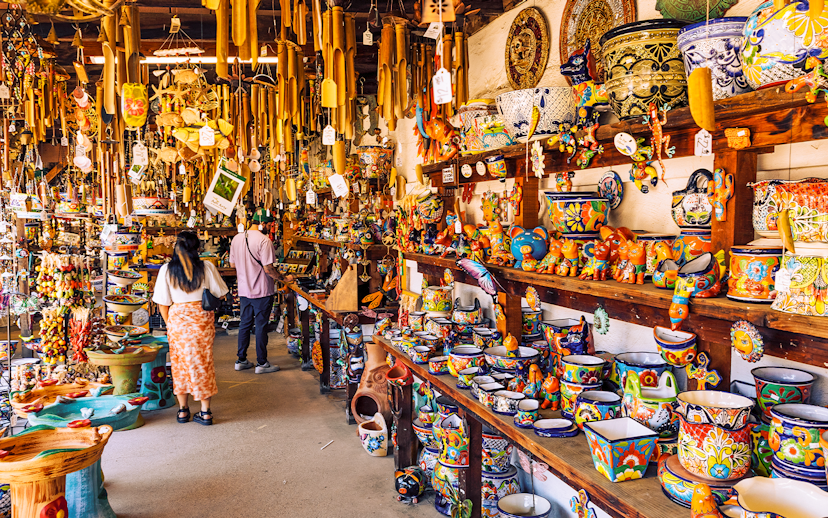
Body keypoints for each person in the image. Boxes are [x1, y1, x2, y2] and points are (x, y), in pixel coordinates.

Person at [152, 231, 229, 426]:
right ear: (197, 248)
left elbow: (162, 303)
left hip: (177, 321)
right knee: (203, 364)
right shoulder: (207, 267)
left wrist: (171, 324)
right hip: (202, 320)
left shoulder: (166, 270)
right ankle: (205, 413)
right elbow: (221, 294)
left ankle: (183, 411)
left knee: (179, 365)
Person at [229, 209, 283, 373]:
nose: (269, 228)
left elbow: (232, 265)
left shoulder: (237, 238)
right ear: (263, 224)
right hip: (261, 290)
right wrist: (283, 278)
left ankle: (241, 360)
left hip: (244, 290)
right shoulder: (264, 241)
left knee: (244, 324)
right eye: (269, 225)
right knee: (261, 326)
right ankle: (261, 363)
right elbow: (268, 269)